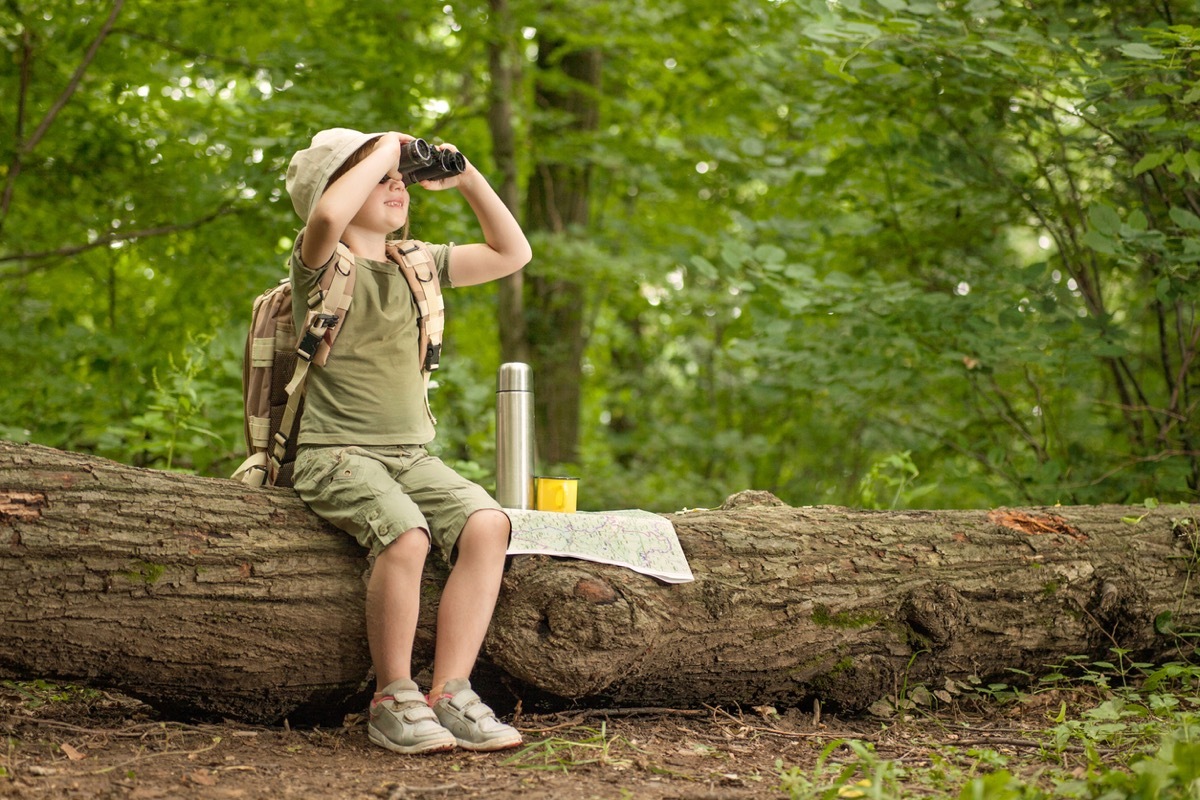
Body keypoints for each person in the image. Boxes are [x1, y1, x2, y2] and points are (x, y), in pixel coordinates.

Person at [283, 128, 532, 754]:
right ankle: (393, 695)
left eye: (401, 178)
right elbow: (331, 214)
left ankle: (451, 690)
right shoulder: (320, 265)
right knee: (406, 532)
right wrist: (386, 150)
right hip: (333, 453)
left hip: (410, 455)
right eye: (381, 177)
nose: (397, 184)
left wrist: (467, 176)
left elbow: (512, 253)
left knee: (486, 524)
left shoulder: (417, 263)